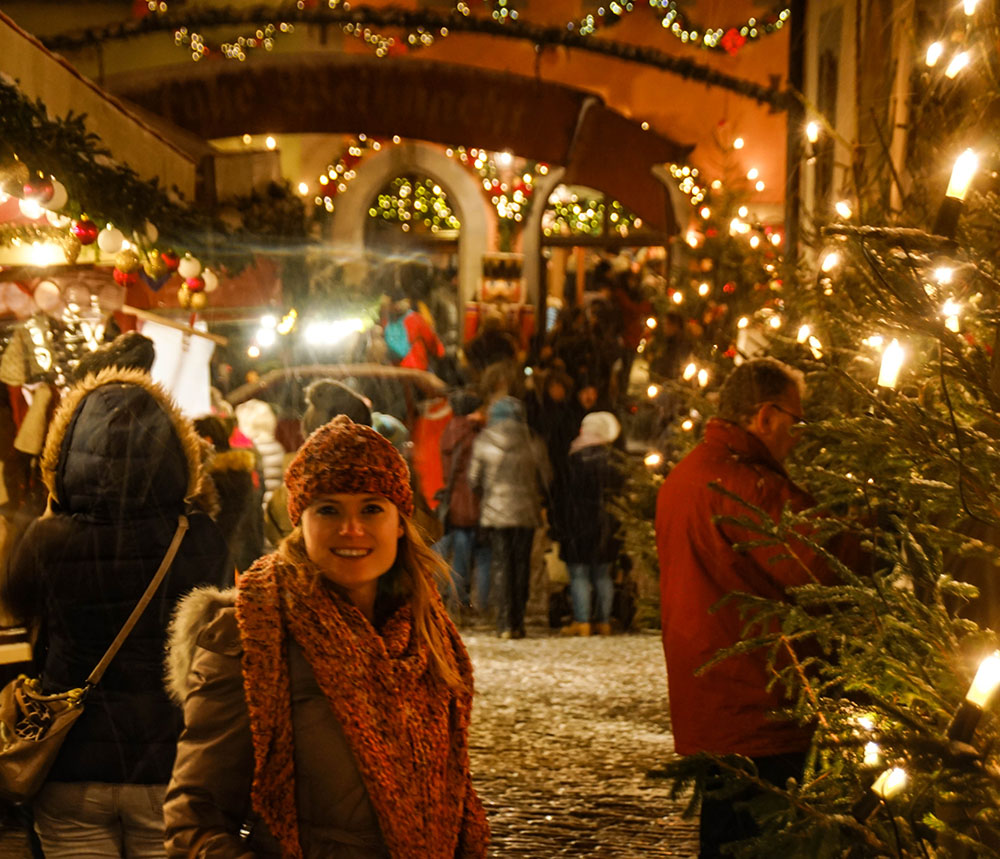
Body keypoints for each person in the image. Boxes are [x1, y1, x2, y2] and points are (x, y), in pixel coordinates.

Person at [163, 416, 489, 858]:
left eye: (371, 508)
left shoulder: (427, 630)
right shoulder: (255, 631)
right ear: (301, 522)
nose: (351, 528)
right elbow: (196, 818)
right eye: (329, 509)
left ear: (399, 521)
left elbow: (455, 789)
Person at [3, 367, 228, 857]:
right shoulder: (200, 535)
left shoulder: (45, 538)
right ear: (174, 453)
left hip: (69, 764)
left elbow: (17, 607)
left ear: (65, 453)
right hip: (167, 762)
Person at [654, 357, 839, 858]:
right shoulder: (746, 486)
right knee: (759, 842)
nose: (796, 434)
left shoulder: (688, 475)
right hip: (759, 705)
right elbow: (823, 567)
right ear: (765, 416)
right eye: (794, 421)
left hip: (711, 699)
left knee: (724, 837)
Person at [468, 397, 551, 639]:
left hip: (495, 512)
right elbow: (546, 477)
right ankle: (518, 621)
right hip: (526, 512)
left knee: (501, 565)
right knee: (522, 564)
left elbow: (474, 479)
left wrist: (489, 492)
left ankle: (504, 622)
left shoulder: (484, 440)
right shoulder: (533, 440)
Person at [558, 412, 624, 637]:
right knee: (603, 574)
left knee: (579, 574)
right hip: (606, 523)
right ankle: (604, 621)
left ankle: (583, 620)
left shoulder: (575, 457)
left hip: (578, 523)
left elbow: (564, 493)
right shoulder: (614, 460)